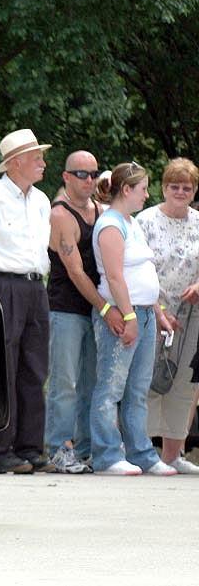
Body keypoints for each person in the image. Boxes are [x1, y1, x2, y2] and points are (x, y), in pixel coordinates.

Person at [0, 128, 52, 474]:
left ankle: (30, 447)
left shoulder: (42, 200)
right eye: (37, 158)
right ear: (16, 163)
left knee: (35, 368)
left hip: (35, 287)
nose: (43, 164)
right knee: (3, 367)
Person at [90, 162, 177, 476]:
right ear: (126, 190)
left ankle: (142, 453)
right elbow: (115, 277)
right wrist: (128, 316)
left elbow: (141, 273)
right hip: (125, 313)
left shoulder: (132, 222)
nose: (146, 195)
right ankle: (107, 455)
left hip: (144, 313)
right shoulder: (112, 225)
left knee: (138, 389)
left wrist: (157, 312)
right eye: (142, 189)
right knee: (111, 387)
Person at [44, 151, 124, 473]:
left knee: (94, 382)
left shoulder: (101, 212)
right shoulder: (60, 215)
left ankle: (88, 448)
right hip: (66, 308)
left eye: (93, 174)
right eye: (81, 174)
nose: (88, 180)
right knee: (65, 383)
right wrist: (106, 307)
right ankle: (58, 449)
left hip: (96, 311)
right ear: (65, 177)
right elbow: (76, 272)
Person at [136, 158, 199, 474]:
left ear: (194, 190)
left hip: (191, 314)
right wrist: (157, 309)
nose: (180, 192)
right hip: (151, 309)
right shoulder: (145, 221)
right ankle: (144, 452)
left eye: (186, 187)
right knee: (147, 378)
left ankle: (173, 455)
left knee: (184, 383)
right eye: (174, 186)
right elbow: (136, 265)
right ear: (163, 187)